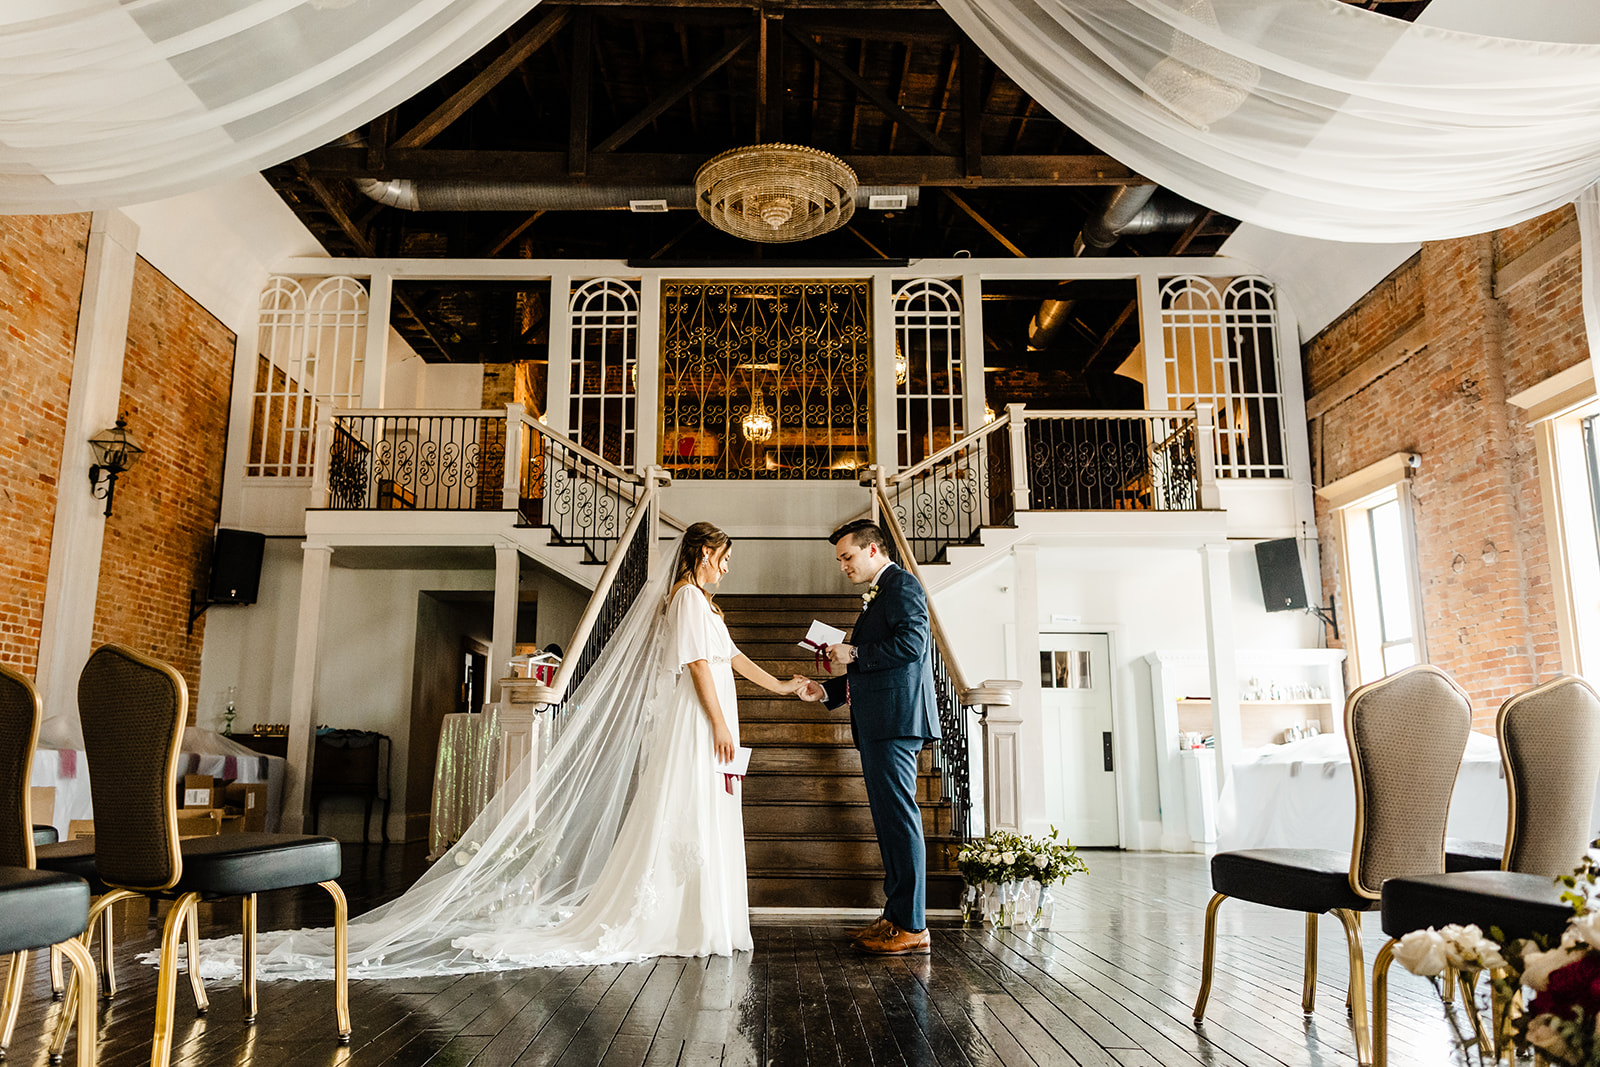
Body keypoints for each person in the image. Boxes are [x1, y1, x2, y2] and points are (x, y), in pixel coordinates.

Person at [173, 522, 811, 980]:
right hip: (699, 722)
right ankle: (681, 917)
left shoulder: (706, 602)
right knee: (684, 811)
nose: (727, 567)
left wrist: (782, 684)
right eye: (723, 556)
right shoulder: (687, 599)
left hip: (709, 720)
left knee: (701, 813)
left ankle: (699, 917)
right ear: (702, 554)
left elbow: (730, 659)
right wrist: (720, 720)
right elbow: (700, 667)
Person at [798, 519, 940, 955]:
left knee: (899, 820)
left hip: (896, 722)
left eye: (848, 556)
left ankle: (912, 925)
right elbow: (876, 669)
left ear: (874, 549)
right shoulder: (881, 592)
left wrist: (854, 651)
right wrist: (825, 690)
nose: (843, 565)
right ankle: (896, 916)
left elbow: (913, 644)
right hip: (880, 720)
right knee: (888, 822)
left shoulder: (901, 586)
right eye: (840, 559)